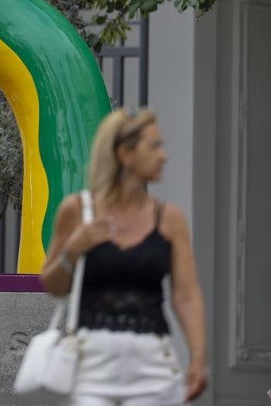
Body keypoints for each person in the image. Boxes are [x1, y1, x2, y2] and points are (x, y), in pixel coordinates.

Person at [39, 108, 208, 405]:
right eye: (154, 146)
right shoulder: (77, 210)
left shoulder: (169, 218)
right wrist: (73, 249)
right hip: (92, 365)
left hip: (154, 365)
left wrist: (197, 358)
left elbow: (186, 296)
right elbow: (52, 285)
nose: (164, 155)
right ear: (125, 154)